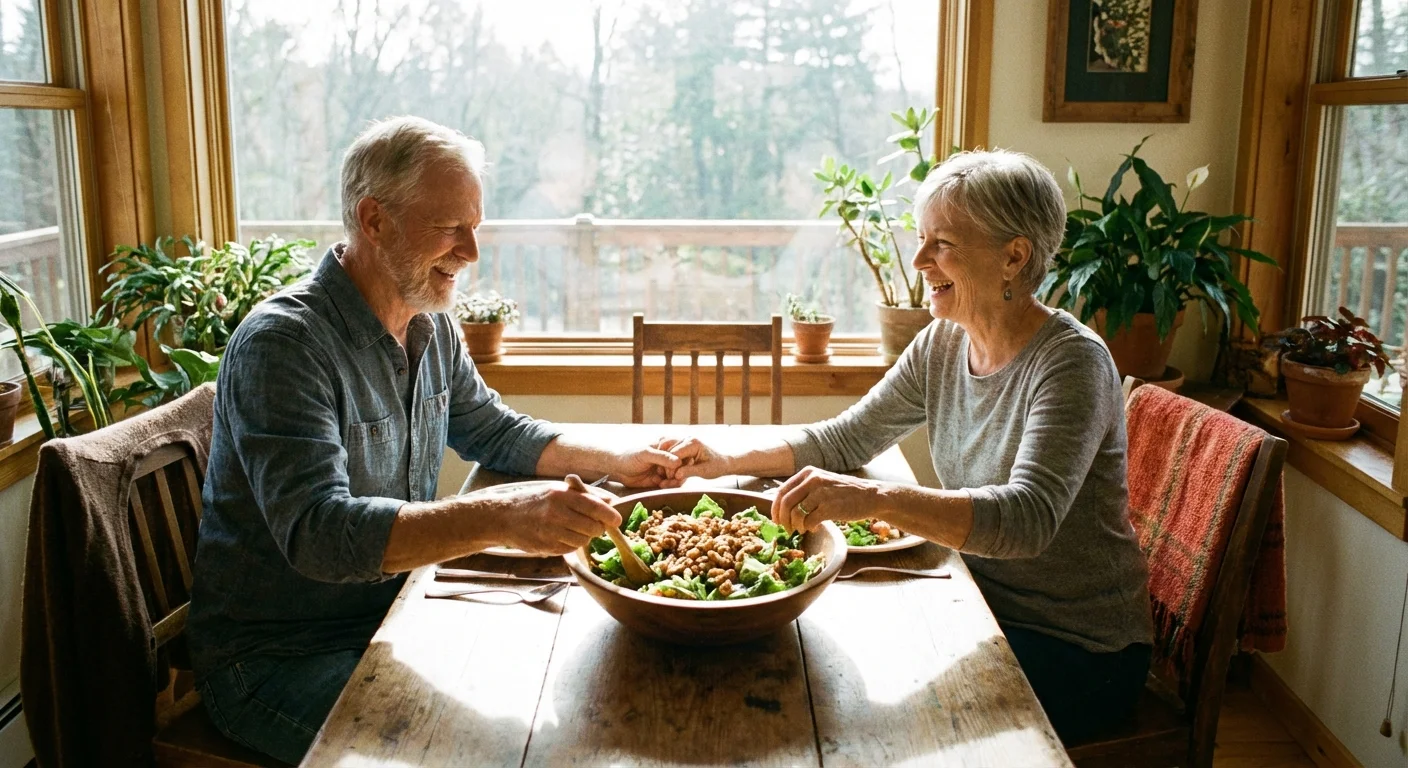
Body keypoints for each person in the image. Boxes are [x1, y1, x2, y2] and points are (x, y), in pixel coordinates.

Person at [187, 116, 681, 763]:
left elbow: (491, 429)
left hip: (395, 618)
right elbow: (319, 534)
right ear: (374, 220)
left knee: (574, 701)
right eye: (452, 229)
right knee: (486, 752)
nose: (471, 252)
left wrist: (620, 460)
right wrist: (503, 516)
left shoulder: (430, 322)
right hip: (277, 659)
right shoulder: (284, 345)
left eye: (475, 227)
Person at [658, 149, 1154, 743]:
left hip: (1079, 647)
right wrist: (726, 460)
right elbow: (847, 437)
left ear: (1013, 257)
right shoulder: (944, 342)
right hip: (979, 602)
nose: (919, 260)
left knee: (882, 726)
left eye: (941, 243)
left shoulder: (1071, 362)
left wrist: (874, 498)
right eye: (921, 239)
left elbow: (1027, 520)